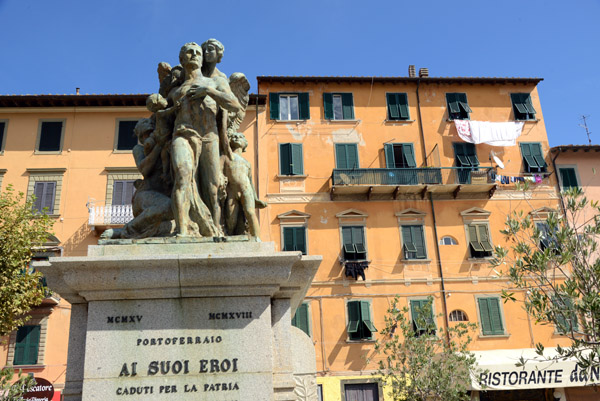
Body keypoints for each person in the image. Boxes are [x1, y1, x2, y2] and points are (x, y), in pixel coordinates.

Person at [169, 42, 241, 237]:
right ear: (182, 59)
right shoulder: (174, 91)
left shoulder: (215, 82)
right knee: (183, 174)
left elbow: (235, 105)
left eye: (197, 53)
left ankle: (216, 229)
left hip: (209, 136)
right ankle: (182, 229)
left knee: (214, 188)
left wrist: (208, 92)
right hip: (183, 134)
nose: (193, 55)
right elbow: (161, 118)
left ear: (202, 59)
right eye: (189, 53)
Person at [101, 118, 174, 239]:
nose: (149, 123)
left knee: (166, 227)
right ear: (139, 133)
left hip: (161, 198)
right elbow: (144, 169)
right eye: (145, 123)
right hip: (145, 196)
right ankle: (125, 230)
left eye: (150, 123)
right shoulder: (138, 149)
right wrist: (158, 147)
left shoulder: (165, 144)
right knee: (170, 207)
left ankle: (135, 231)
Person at [220, 130, 267, 238]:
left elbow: (250, 182)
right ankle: (230, 238)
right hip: (231, 191)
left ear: (245, 144)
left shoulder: (247, 163)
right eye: (234, 137)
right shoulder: (226, 156)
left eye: (240, 137)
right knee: (230, 218)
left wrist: (256, 199)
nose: (236, 137)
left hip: (246, 190)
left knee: (250, 213)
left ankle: (256, 238)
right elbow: (218, 171)